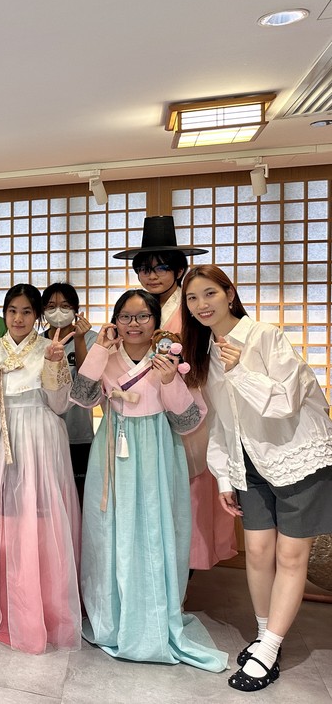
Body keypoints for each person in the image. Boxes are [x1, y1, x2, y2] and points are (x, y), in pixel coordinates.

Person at [182, 265, 332, 691]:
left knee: (290, 556)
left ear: (230, 294)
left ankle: (268, 649)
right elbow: (221, 421)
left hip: (297, 457)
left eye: (210, 293)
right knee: (259, 552)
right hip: (248, 463)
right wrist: (224, 477)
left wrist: (240, 372)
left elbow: (286, 402)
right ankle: (266, 635)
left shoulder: (265, 336)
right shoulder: (205, 352)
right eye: (192, 298)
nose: (201, 304)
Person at [71, 288, 227, 672]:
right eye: (125, 316)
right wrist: (98, 350)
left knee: (156, 530)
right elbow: (82, 398)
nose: (134, 324)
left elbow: (187, 421)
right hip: (112, 449)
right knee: (110, 532)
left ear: (156, 321)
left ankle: (156, 615)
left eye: (143, 316)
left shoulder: (170, 357)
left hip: (157, 448)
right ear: (115, 321)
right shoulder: (107, 355)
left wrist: (171, 381)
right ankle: (113, 616)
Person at [114, 216, 237, 571]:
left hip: (190, 403)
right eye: (144, 268)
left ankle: (183, 572)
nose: (151, 276)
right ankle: (154, 568)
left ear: (179, 270)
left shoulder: (192, 305)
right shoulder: (141, 308)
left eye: (161, 267)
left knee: (188, 490)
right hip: (148, 410)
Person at [0, 284, 80, 654]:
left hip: (42, 437)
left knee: (42, 519)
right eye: (12, 311)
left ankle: (46, 608)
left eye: (27, 312)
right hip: (3, 438)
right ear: (4, 313)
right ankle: (5, 602)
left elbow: (60, 405)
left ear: (38, 316)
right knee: (7, 519)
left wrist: (55, 364)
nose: (18, 319)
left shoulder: (49, 347)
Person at [41, 283, 95, 498]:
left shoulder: (90, 338)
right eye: (51, 306)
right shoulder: (38, 342)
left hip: (79, 431)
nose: (58, 311)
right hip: (45, 434)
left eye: (65, 306)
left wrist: (79, 339)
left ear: (76, 310)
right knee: (51, 496)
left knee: (79, 496)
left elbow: (87, 380)